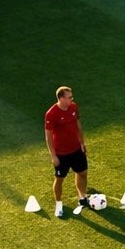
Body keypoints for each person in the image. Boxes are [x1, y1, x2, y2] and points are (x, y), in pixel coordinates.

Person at [44, 86, 89, 219]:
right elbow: (48, 136)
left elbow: (77, 124)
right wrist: (53, 156)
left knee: (82, 173)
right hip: (61, 154)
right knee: (59, 179)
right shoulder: (51, 114)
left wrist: (82, 142)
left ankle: (82, 197)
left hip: (76, 149)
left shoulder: (73, 107)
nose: (72, 99)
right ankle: (58, 204)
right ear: (61, 98)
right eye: (69, 97)